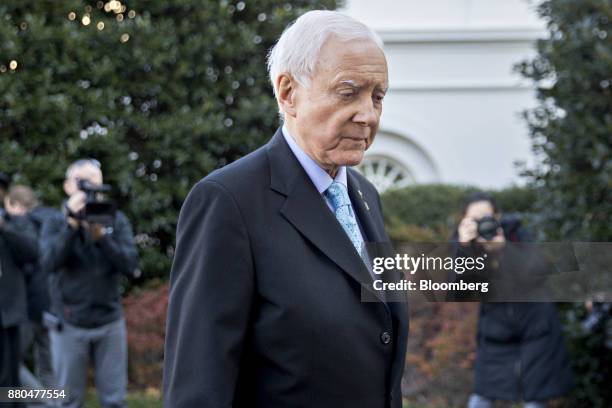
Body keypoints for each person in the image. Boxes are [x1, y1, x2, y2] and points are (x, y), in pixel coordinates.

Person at [163, 10, 409, 408]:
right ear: (288, 92)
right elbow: (198, 384)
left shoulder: (365, 195)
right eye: (349, 92)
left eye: (377, 96)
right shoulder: (228, 202)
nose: (368, 115)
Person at [454, 192, 573, 408]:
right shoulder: (465, 243)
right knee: (481, 397)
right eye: (475, 219)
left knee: (535, 400)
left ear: (498, 216)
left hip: (536, 327)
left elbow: (536, 272)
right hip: (496, 331)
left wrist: (503, 251)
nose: (482, 224)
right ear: (464, 220)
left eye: (486, 217)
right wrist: (465, 247)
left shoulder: (517, 233)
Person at [40, 159, 139, 408]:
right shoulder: (55, 221)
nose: (89, 188)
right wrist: (71, 226)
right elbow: (49, 263)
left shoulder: (115, 220)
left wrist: (102, 238)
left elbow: (131, 265)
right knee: (67, 400)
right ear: (67, 186)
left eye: (95, 181)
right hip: (69, 322)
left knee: (115, 401)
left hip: (109, 321)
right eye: (82, 182)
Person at [4, 186, 58, 399]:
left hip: (27, 306)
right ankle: (54, 403)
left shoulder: (17, 223)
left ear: (16, 204)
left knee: (10, 363)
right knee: (48, 366)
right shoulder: (54, 219)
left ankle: (43, 402)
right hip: (54, 305)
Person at [0, 183, 39, 408]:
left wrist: (4, 227)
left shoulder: (15, 222)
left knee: (10, 382)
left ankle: (52, 401)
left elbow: (33, 253)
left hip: (10, 315)